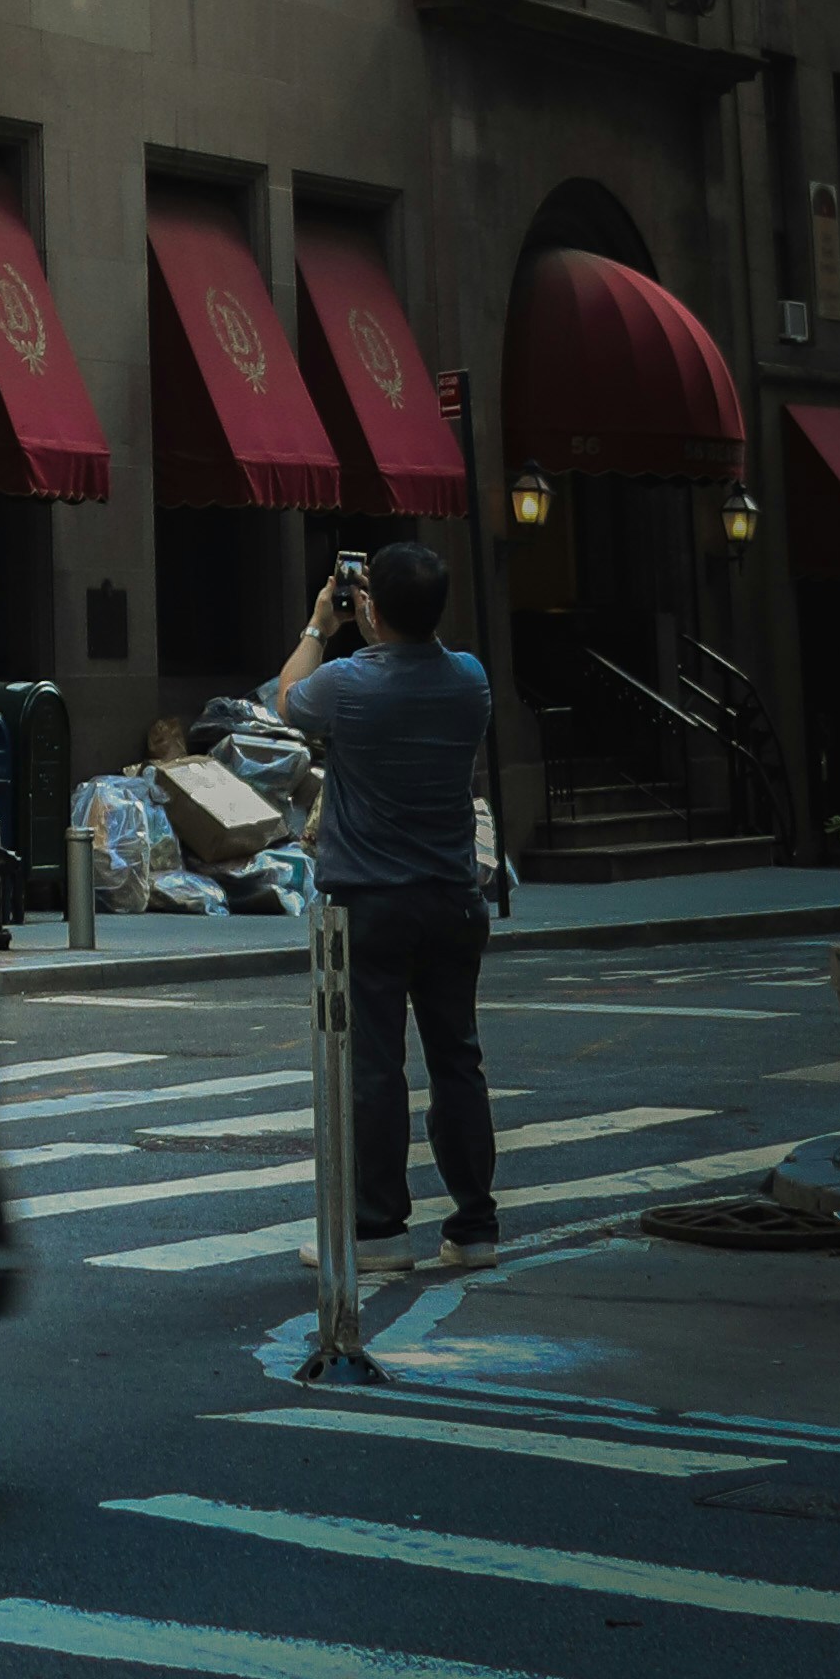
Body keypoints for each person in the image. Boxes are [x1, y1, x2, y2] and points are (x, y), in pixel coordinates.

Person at [279, 538, 499, 1269]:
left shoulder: (346, 681)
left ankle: (379, 1228)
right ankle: (474, 1227)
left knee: (374, 1067)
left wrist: (320, 625)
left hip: (369, 904)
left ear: (369, 605)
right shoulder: (470, 680)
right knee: (457, 1060)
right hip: (452, 899)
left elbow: (286, 699)